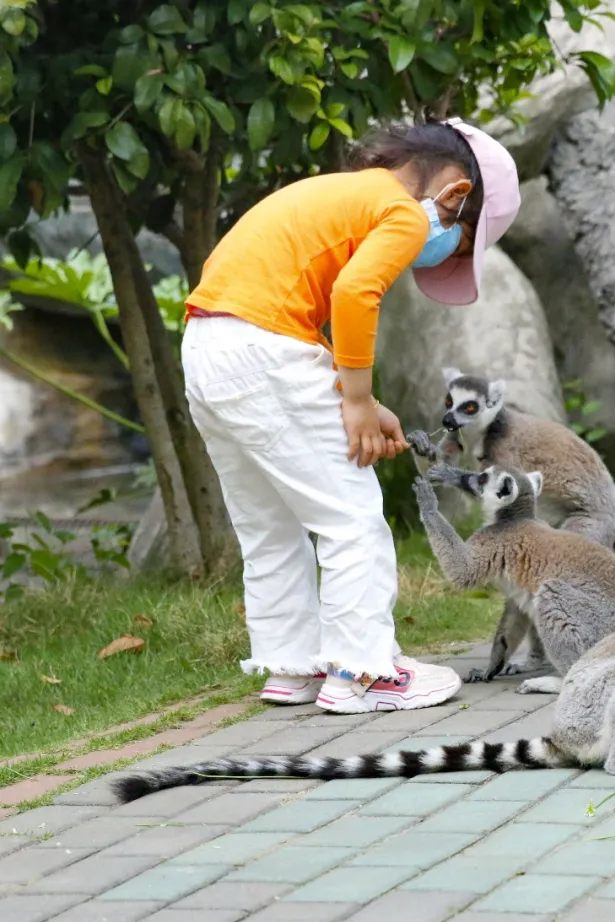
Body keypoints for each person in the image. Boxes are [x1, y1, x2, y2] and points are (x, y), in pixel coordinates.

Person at [179, 117, 522, 714]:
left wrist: (356, 398)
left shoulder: (341, 191)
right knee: (351, 517)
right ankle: (365, 672)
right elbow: (354, 294)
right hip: (266, 352)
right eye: (462, 241)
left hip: (209, 347)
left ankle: (290, 666)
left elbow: (285, 304)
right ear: (455, 194)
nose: (443, 251)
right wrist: (357, 400)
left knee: (270, 525)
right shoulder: (405, 211)